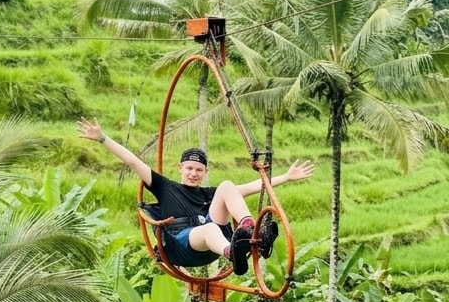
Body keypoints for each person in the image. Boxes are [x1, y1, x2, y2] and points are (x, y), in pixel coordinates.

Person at [76, 116, 314, 275]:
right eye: (189, 168)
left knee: (227, 186)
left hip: (210, 247)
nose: (193, 174)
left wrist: (286, 177)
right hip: (181, 245)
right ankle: (234, 252)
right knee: (211, 229)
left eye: (199, 170)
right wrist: (102, 138)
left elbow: (253, 186)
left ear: (205, 172)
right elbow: (132, 161)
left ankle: (248, 230)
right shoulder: (163, 186)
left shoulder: (208, 193)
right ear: (180, 168)